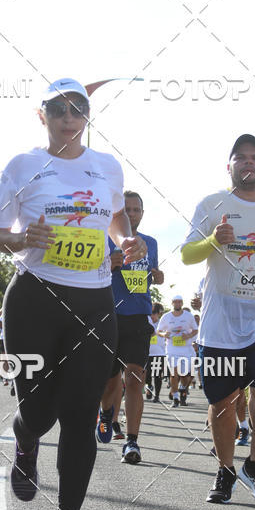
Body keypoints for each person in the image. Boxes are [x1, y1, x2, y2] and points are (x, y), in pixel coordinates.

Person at [0, 78, 146, 510]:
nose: (69, 117)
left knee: (80, 412)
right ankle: (26, 438)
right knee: (38, 410)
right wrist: (21, 238)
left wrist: (126, 240)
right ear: (43, 116)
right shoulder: (23, 165)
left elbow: (116, 218)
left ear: (88, 116)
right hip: (35, 297)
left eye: (78, 109)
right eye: (59, 109)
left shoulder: (107, 167)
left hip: (95, 302)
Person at [182, 134, 255, 505]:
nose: (248, 163)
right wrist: (213, 239)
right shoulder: (212, 204)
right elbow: (187, 255)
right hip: (222, 321)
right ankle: (225, 470)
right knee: (223, 402)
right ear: (229, 166)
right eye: (240, 158)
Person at [96, 191, 163, 464]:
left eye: (136, 209)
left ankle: (132, 441)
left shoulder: (150, 243)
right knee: (109, 381)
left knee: (135, 377)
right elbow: (84, 273)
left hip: (138, 316)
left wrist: (158, 276)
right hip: (108, 315)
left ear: (142, 214)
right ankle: (105, 413)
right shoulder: (103, 239)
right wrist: (105, 264)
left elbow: (153, 276)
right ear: (118, 214)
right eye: (127, 210)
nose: (132, 214)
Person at [157, 295, 198, 408]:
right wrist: (164, 334)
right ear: (172, 303)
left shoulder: (188, 316)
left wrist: (188, 335)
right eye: (175, 302)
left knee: (185, 376)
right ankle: (175, 397)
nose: (178, 304)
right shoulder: (166, 317)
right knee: (174, 373)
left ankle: (181, 388)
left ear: (182, 303)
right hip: (172, 348)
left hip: (186, 349)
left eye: (180, 302)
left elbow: (195, 330)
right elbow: (158, 331)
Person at [147, 303, 166, 402]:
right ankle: (149, 386)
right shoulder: (146, 320)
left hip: (159, 354)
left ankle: (157, 396)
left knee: (157, 375)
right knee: (147, 375)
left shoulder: (162, 323)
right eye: (151, 312)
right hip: (146, 353)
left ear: (159, 313)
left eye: (154, 313)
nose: (152, 315)